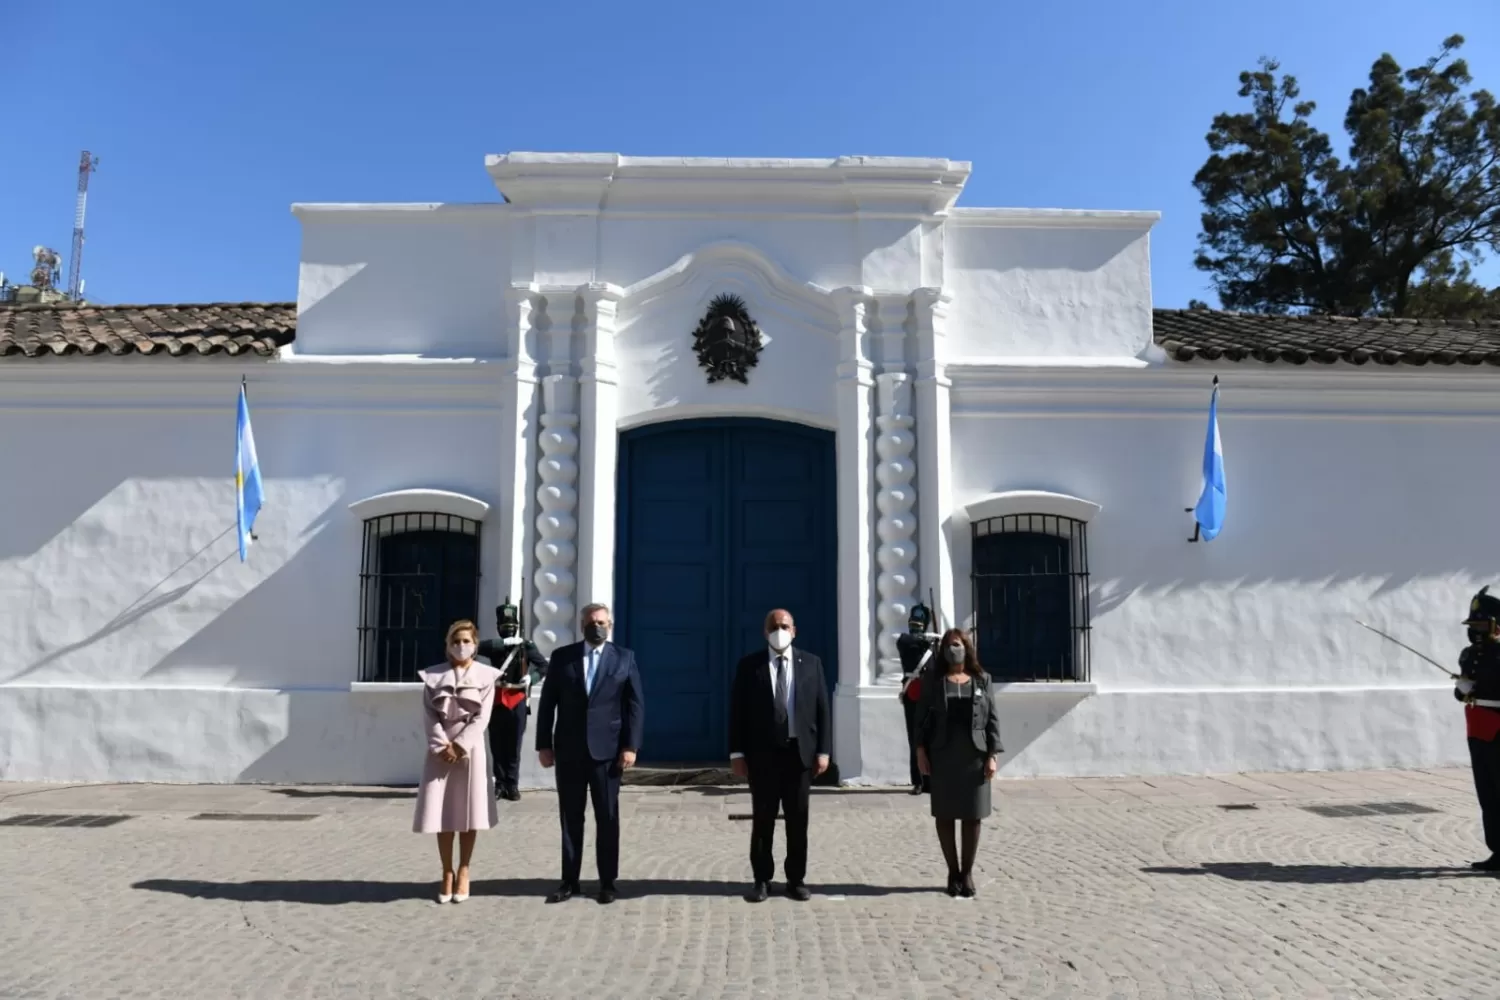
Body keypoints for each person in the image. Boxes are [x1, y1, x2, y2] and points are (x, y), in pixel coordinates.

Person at [534, 602, 644, 905]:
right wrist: (544, 744)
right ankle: (570, 881)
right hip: (569, 751)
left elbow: (634, 706)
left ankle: (608, 882)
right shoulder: (562, 657)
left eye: (603, 622)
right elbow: (547, 704)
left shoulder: (624, 658)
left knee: (607, 817)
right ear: (582, 624)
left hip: (608, 753)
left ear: (610, 625)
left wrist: (630, 746)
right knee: (571, 817)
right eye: (592, 622)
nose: (598, 627)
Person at [728, 608, 831, 903]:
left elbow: (822, 710)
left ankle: (796, 879)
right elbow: (738, 713)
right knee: (764, 819)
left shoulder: (811, 664)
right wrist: (737, 753)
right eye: (774, 626)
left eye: (784, 626)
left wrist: (823, 751)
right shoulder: (750, 667)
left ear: (794, 630)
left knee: (798, 820)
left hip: (799, 756)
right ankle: (762, 879)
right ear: (765, 632)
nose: (779, 630)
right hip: (763, 757)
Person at [413, 619, 500, 903]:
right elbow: (429, 715)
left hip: (469, 751)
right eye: (456, 641)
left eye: (466, 641)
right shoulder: (433, 677)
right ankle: (446, 870)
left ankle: (464, 868)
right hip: (440, 752)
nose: (461, 646)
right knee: (442, 812)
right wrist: (441, 745)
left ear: (475, 645)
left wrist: (460, 746)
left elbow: (482, 717)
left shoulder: (486, 677)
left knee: (469, 812)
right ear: (448, 645)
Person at [916, 628, 1001, 898]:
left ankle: (967, 872)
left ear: (966, 647)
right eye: (949, 645)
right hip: (943, 754)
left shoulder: (982, 679)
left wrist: (992, 754)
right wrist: (920, 751)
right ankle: (952, 871)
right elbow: (920, 719)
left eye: (958, 644)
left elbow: (993, 720)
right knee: (945, 814)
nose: (954, 649)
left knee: (972, 815)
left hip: (974, 756)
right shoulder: (934, 679)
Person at [477, 599, 548, 801]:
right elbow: (473, 648)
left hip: (517, 699)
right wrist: (502, 643)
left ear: (517, 627)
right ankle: (499, 784)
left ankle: (512, 784)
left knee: (513, 745)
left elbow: (543, 666)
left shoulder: (526, 646)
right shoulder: (495, 647)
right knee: (497, 744)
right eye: (504, 629)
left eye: (511, 629)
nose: (508, 632)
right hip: (497, 699)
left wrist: (531, 678)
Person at [1457, 586, 1500, 871]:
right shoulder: (1469, 655)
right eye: (1473, 625)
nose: (1475, 630)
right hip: (1477, 727)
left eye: (1480, 624)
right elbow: (1462, 691)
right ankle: (1498, 848)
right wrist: (1462, 689)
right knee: (1487, 792)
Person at [896, 603, 942, 796]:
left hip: (930, 694)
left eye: (920, 621)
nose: (915, 625)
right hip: (912, 693)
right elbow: (913, 641)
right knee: (914, 739)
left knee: (931, 737)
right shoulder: (905, 641)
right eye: (913, 621)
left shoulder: (934, 645)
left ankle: (931, 780)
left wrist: (938, 642)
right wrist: (932, 638)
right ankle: (918, 781)